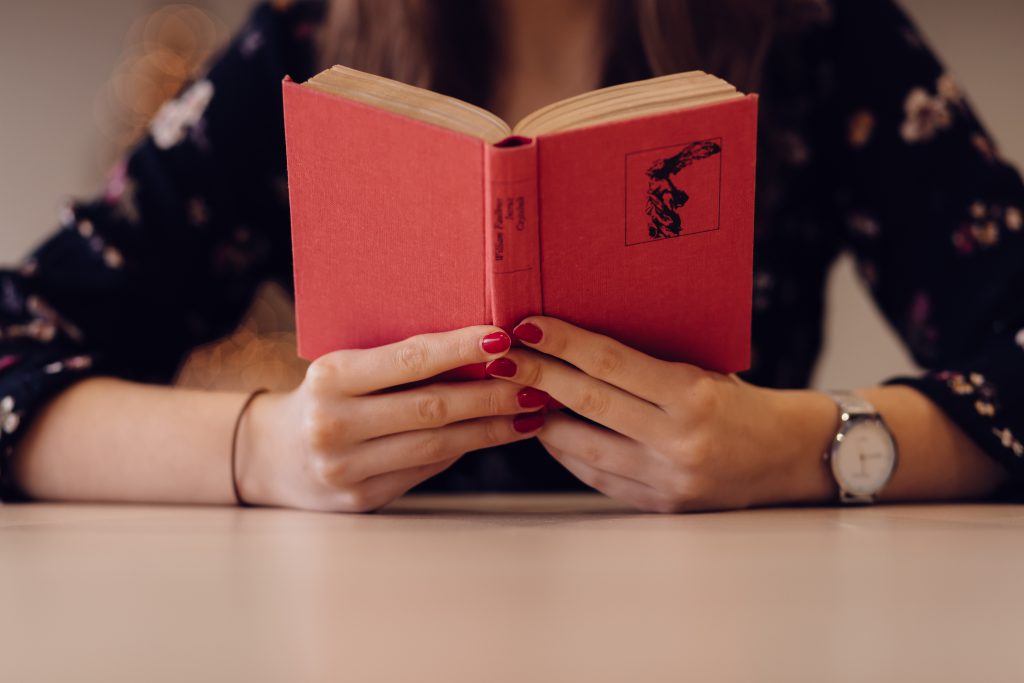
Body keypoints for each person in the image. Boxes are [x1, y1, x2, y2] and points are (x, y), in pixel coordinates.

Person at [2, 0, 1021, 513]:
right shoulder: (308, 45)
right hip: (386, 636)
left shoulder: (820, 31)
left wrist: (804, 445)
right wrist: (264, 451)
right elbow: (16, 346)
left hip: (712, 623)